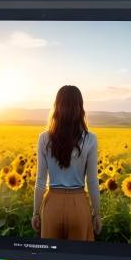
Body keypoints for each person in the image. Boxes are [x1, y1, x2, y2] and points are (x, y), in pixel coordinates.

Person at [32, 85, 101, 240]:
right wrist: (97, 214)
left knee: (51, 255)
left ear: (57, 106)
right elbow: (92, 181)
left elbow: (40, 181)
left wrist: (35, 212)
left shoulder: (43, 138)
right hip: (78, 205)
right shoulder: (90, 139)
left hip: (52, 206)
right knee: (78, 255)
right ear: (80, 108)